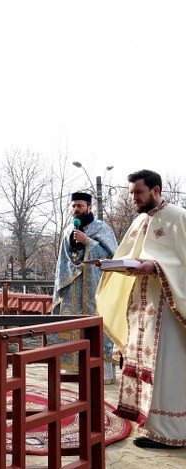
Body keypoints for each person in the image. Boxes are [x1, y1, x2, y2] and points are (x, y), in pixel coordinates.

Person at [97, 169, 186, 449]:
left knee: (166, 369)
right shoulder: (138, 221)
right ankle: (150, 426)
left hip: (169, 308)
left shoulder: (177, 217)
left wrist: (156, 266)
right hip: (141, 306)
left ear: (156, 190)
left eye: (139, 192)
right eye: (132, 193)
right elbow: (127, 255)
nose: (134, 198)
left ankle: (173, 432)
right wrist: (114, 265)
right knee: (143, 366)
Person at [53, 192, 118, 383]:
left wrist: (88, 242)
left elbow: (112, 254)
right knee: (71, 323)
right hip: (73, 285)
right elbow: (63, 261)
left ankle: (104, 368)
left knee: (99, 324)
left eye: (79, 206)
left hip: (96, 285)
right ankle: (73, 366)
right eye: (73, 206)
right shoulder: (67, 231)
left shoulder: (102, 228)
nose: (76, 209)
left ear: (90, 207)